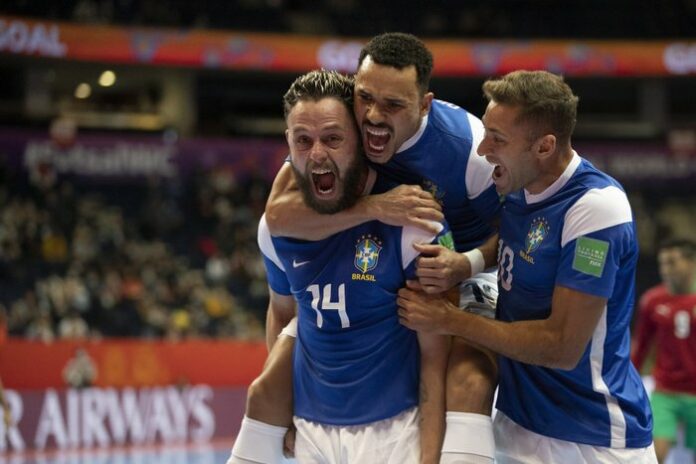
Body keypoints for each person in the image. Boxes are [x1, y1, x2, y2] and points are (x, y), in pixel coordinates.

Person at [263, 32, 502, 464]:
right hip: (394, 264)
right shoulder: (339, 126)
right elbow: (277, 215)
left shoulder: (469, 147)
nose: (373, 115)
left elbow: (516, 232)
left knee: (468, 382)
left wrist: (466, 263)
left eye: (392, 105)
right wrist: (376, 207)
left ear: (424, 105)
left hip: (468, 268)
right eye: (366, 97)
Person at [397, 70, 657, 463]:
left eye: (497, 139)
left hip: (592, 438)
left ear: (544, 147)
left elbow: (562, 346)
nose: (483, 149)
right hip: (518, 426)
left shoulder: (596, 209)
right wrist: (467, 264)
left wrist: (450, 320)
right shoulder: (519, 188)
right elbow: (512, 239)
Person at [229, 69, 451, 464]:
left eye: (333, 139)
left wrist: (431, 456)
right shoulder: (275, 229)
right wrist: (285, 411)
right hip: (310, 430)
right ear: (288, 143)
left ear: (360, 140)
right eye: (303, 140)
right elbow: (282, 314)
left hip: (395, 431)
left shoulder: (413, 220)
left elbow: (435, 356)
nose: (317, 154)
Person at [632, 239, 696, 463]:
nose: (665, 270)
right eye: (662, 263)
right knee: (655, 456)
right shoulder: (652, 300)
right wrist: (629, 382)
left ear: (691, 262)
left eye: (672, 262)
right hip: (665, 390)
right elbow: (640, 346)